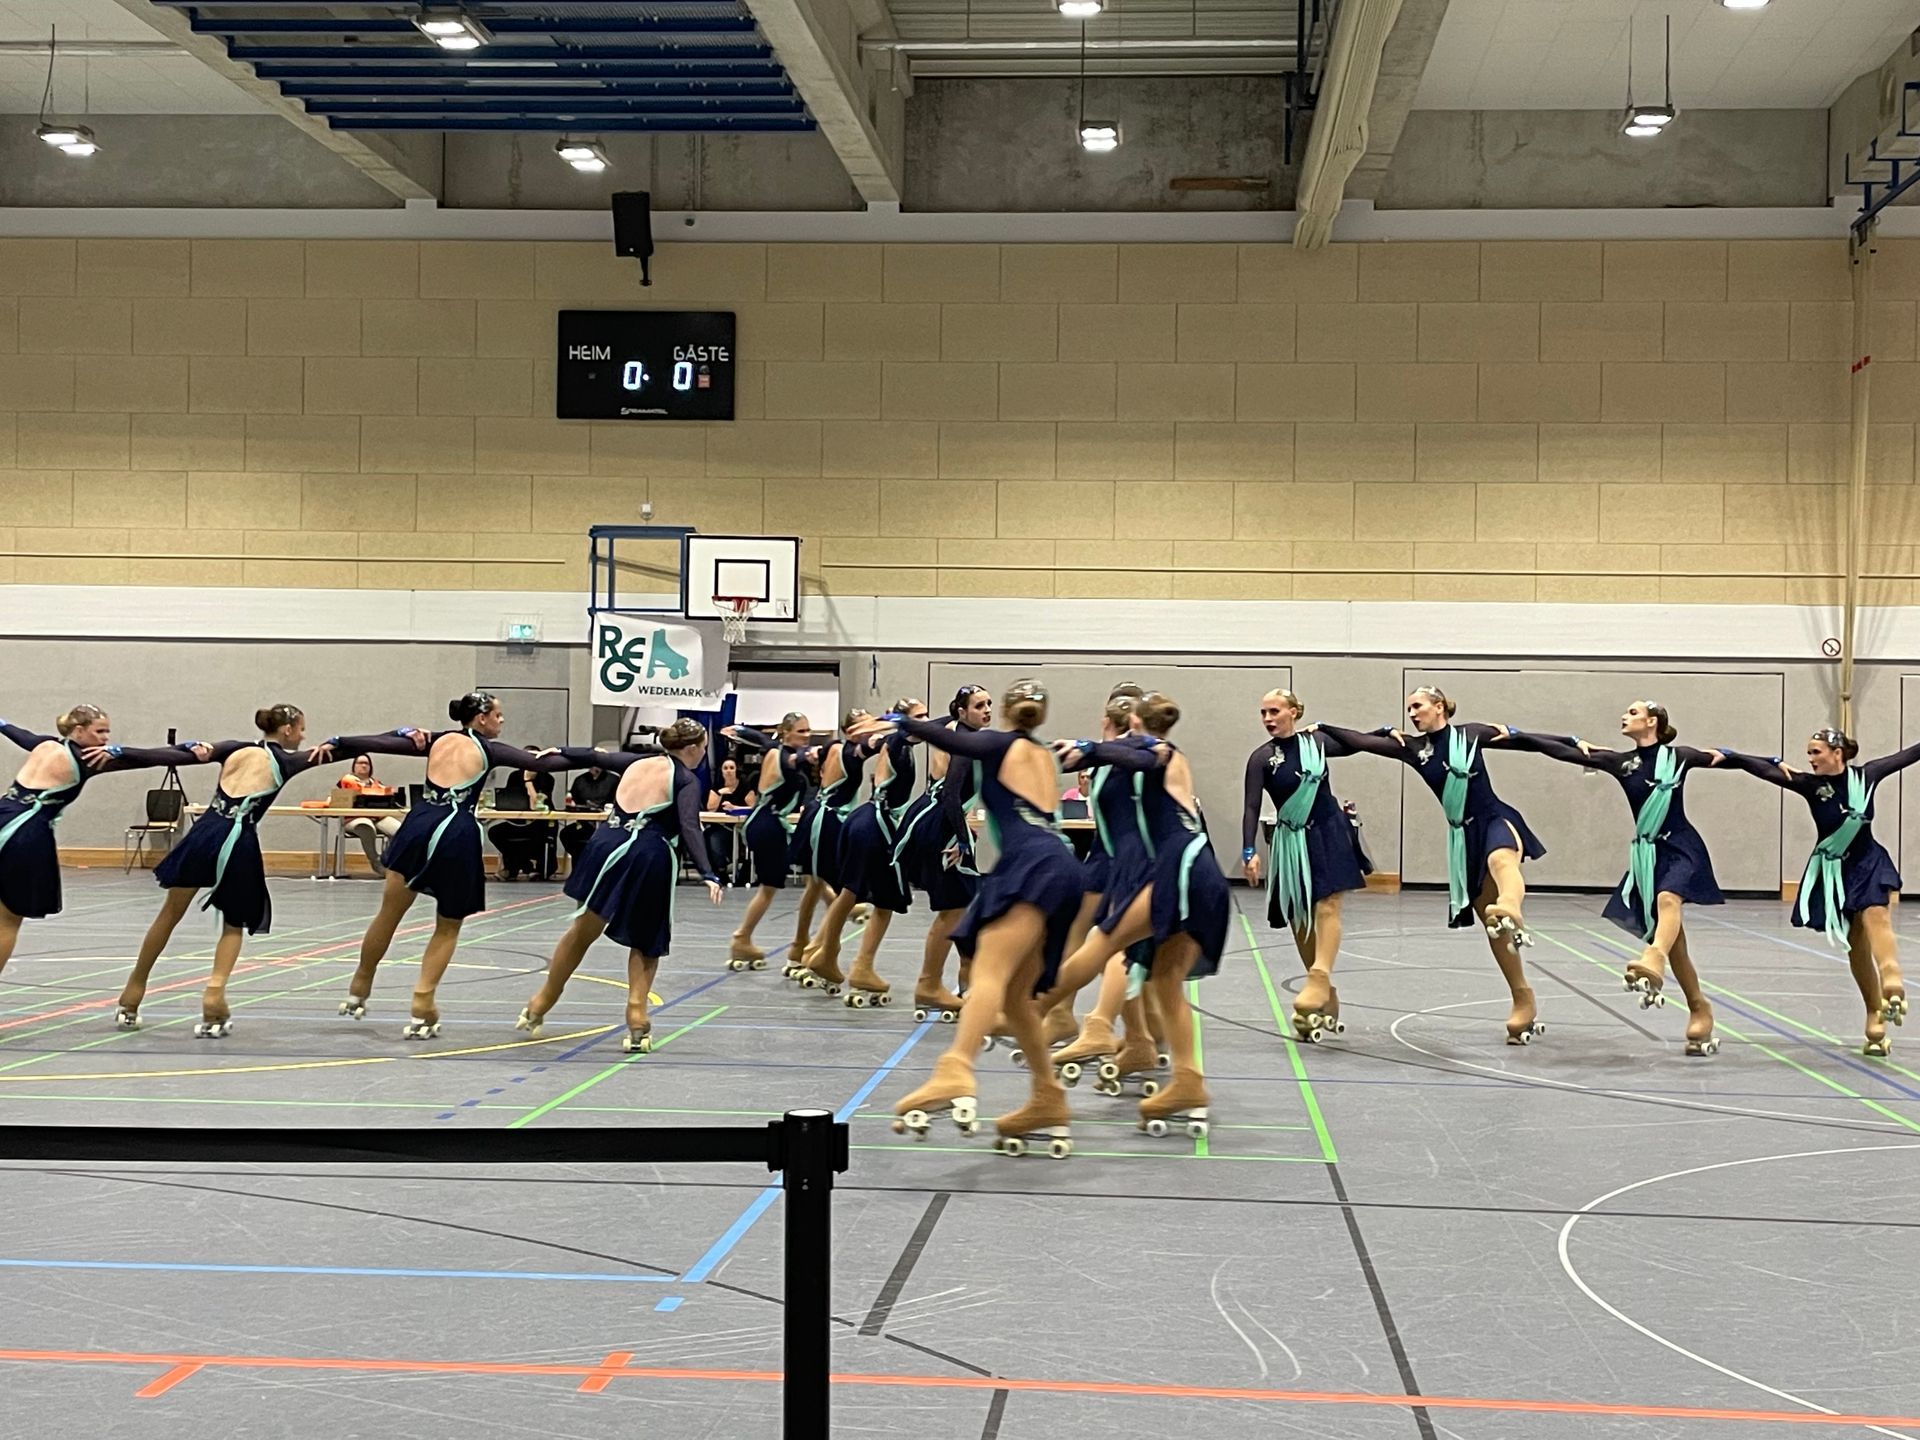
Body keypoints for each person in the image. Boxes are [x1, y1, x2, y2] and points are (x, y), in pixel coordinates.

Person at [114, 706, 428, 1036]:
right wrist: (399, 733)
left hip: (204, 832)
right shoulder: (289, 761)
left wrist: (120, 751)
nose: (304, 736)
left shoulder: (232, 748)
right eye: (301, 729)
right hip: (238, 838)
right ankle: (214, 993)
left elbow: (173, 754)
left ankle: (132, 992)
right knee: (233, 924)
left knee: (169, 914)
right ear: (288, 729)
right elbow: (355, 747)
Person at [876, 681, 1086, 1158]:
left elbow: (950, 736)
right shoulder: (1041, 754)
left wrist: (899, 721)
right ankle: (1048, 1098)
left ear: (1008, 712)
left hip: (1032, 863)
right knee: (1015, 997)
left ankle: (955, 1068)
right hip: (1062, 864)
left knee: (989, 970)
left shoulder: (999, 743)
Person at [1315, 686, 1550, 1045]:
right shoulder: (1413, 749)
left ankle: (1511, 905)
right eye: (1408, 708)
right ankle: (1523, 997)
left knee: (1502, 861)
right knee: (1492, 925)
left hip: (1494, 818)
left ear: (1439, 706)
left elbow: (1528, 742)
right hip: (1463, 838)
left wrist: (1575, 744)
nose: (1411, 713)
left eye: (1418, 706)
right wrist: (1324, 726)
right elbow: (1359, 742)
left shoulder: (1471, 734)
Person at [340, 691, 580, 1039]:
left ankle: (360, 983)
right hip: (455, 829)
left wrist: (341, 740)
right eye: (498, 715)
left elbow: (379, 742)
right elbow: (544, 764)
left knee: (389, 913)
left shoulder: (435, 740)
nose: (502, 720)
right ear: (481, 718)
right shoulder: (491, 749)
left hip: (418, 823)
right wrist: (588, 755)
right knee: (448, 926)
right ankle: (422, 999)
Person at [1507, 702, 1730, 1057]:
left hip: (1682, 846)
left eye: (1633, 712)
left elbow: (1727, 758)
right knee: (1675, 939)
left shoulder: (1680, 757)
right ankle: (1699, 1006)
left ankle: (1653, 956)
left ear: (1652, 721)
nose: (1625, 716)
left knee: (1668, 900)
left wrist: (1771, 763)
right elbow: (1559, 752)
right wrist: (1520, 736)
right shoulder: (1621, 762)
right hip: (1648, 854)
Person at [1053, 692, 1227, 1139]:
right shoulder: (1148, 752)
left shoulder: (1158, 751)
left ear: (1133, 721)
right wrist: (1091, 753)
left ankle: (1029, 1010)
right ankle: (1186, 1079)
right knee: (1163, 977)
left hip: (1179, 869)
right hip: (1186, 867)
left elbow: (1142, 755)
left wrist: (1090, 748)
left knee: (1106, 943)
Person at [517, 720, 723, 1053]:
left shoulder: (635, 761)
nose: (704, 752)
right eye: (703, 746)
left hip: (605, 844)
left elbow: (594, 756)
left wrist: (560, 750)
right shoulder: (685, 779)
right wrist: (708, 872)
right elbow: (689, 826)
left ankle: (541, 1001)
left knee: (583, 929)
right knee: (646, 939)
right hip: (647, 853)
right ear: (691, 748)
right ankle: (637, 1017)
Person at [1718, 726, 1918, 1056]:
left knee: (1876, 915)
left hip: (1868, 862)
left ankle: (1891, 975)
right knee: (1856, 944)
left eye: (1816, 752)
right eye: (1808, 752)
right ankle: (1874, 1012)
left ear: (1837, 753)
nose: (1810, 758)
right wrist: (1735, 755)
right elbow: (1759, 770)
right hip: (1835, 869)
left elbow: (1909, 754)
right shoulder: (1809, 785)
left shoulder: (1868, 775)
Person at [0, 706, 209, 980]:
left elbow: (17, 732)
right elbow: (149, 757)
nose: (105, 739)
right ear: (79, 731)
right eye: (99, 732)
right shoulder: (88, 758)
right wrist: (189, 749)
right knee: (8, 920)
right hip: (25, 833)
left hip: (4, 814)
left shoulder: (45, 744)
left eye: (107, 732)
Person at [1043, 687, 1166, 1087]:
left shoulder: (1139, 753)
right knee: (1090, 935)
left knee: (1118, 943)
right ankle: (1073, 1016)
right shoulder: (1108, 756)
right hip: (1106, 854)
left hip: (1130, 862)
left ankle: (1107, 1025)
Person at [1241, 688, 1370, 1043]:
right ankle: (1325, 990)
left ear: (1294, 712)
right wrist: (1249, 850)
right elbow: (1251, 806)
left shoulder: (1317, 743)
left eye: (1275, 711)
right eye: (1263, 712)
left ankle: (1318, 977)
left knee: (1328, 905)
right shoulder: (1261, 758)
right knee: (1300, 917)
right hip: (1291, 839)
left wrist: (1327, 726)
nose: (1268, 718)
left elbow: (1359, 743)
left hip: (1328, 831)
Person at [800, 700, 927, 1008]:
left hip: (862, 819)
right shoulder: (896, 741)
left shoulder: (891, 743)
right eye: (919, 717)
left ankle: (824, 953)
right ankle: (856, 964)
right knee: (885, 901)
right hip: (875, 824)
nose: (925, 721)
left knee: (848, 893)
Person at [892, 685, 992, 1009]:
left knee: (963, 905)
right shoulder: (962, 740)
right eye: (979, 705)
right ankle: (929, 985)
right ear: (962, 711)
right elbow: (950, 794)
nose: (987, 710)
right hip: (940, 826)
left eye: (988, 704)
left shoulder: (953, 729)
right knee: (952, 911)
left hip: (937, 819)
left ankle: (967, 983)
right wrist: (961, 839)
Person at [795, 710, 878, 994]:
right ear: (852, 730)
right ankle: (817, 952)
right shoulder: (854, 751)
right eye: (867, 723)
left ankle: (807, 950)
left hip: (819, 814)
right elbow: (879, 743)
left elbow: (808, 755)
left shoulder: (832, 746)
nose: (873, 727)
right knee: (842, 891)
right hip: (829, 820)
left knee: (819, 885)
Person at [727, 713, 819, 968]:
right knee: (772, 886)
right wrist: (814, 754)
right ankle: (741, 937)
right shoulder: (783, 757)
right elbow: (793, 759)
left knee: (809, 875)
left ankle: (745, 938)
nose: (807, 735)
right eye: (801, 731)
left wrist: (740, 730)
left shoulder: (774, 749)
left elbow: (761, 739)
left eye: (808, 730)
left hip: (766, 821)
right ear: (786, 732)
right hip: (768, 824)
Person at [488, 766, 557, 881]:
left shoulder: (546, 778)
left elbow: (536, 805)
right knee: (495, 832)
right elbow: (510, 799)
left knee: (542, 834)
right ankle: (524, 865)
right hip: (518, 821)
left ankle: (520, 867)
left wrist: (528, 781)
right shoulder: (514, 776)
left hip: (540, 822)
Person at [338, 754, 402, 876]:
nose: (363, 766)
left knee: (399, 829)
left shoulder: (376, 783)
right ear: (354, 766)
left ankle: (389, 860)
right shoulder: (347, 780)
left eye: (366, 763)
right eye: (360, 763)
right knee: (366, 826)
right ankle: (375, 860)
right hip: (354, 818)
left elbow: (388, 793)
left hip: (377, 817)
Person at [705, 757, 755, 884]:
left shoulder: (744, 786)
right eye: (725, 768)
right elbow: (710, 809)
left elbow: (753, 807)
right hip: (722, 826)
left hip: (742, 826)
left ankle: (746, 870)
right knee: (712, 838)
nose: (728, 771)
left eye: (731, 768)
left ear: (736, 770)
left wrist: (735, 808)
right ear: (721, 771)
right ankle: (720, 871)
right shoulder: (717, 787)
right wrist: (720, 793)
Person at [560, 761, 619, 868]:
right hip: (584, 823)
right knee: (566, 834)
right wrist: (572, 804)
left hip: (606, 825)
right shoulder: (580, 780)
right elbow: (572, 802)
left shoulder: (614, 780)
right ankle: (580, 864)